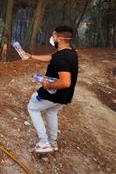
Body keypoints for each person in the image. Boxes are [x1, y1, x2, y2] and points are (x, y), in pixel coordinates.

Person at [26, 25, 78, 153]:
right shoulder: (70, 52)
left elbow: (65, 82)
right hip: (64, 96)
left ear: (59, 38)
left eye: (53, 35)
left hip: (53, 93)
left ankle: (43, 142)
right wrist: (31, 56)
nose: (52, 38)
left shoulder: (61, 58)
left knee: (32, 107)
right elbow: (51, 57)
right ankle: (53, 142)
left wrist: (47, 85)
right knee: (51, 112)